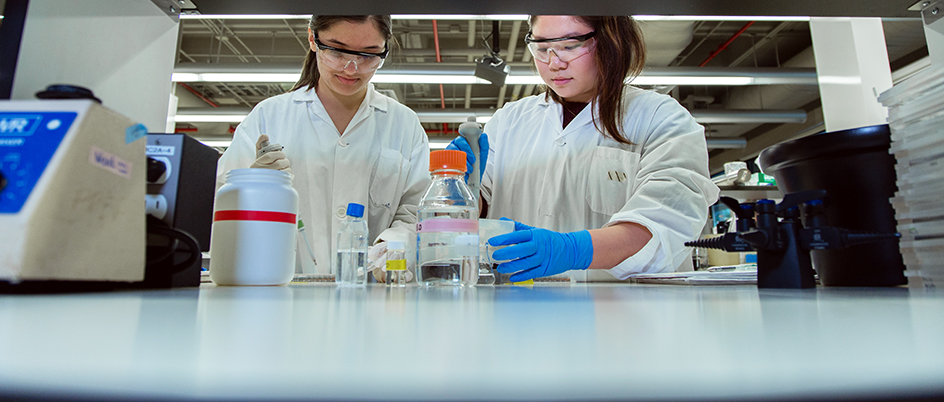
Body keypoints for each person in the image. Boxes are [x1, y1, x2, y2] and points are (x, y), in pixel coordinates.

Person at [449, 15, 719, 282]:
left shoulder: (661, 118)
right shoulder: (508, 120)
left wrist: (573, 250)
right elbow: (478, 209)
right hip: (518, 308)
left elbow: (667, 223)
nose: (554, 62)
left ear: (611, 41)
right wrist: (459, 185)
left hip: (627, 312)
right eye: (542, 48)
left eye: (570, 46)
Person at [217, 15, 430, 276]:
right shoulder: (269, 117)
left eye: (369, 55)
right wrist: (254, 184)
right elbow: (223, 205)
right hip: (282, 289)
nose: (351, 69)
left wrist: (394, 246)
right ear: (312, 39)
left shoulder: (403, 125)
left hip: (373, 295)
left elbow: (415, 212)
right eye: (337, 52)